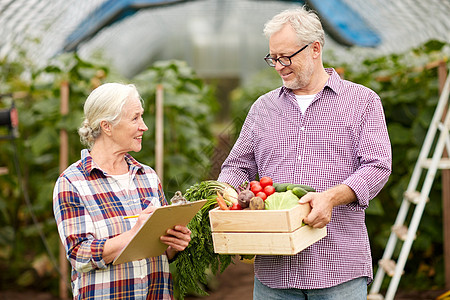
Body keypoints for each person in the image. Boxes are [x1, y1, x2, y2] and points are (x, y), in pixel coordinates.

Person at [218, 6, 392, 300]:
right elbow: (238, 165)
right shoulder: (263, 108)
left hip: (337, 266)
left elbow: (378, 166)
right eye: (273, 58)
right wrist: (223, 192)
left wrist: (331, 198)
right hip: (275, 270)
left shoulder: (362, 101)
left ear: (315, 49)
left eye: (286, 57)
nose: (279, 65)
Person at [53, 83, 191, 300]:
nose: (144, 126)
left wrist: (174, 243)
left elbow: (160, 248)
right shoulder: (72, 182)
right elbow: (80, 255)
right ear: (107, 126)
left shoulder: (147, 177)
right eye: (135, 118)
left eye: (142, 117)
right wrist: (134, 232)